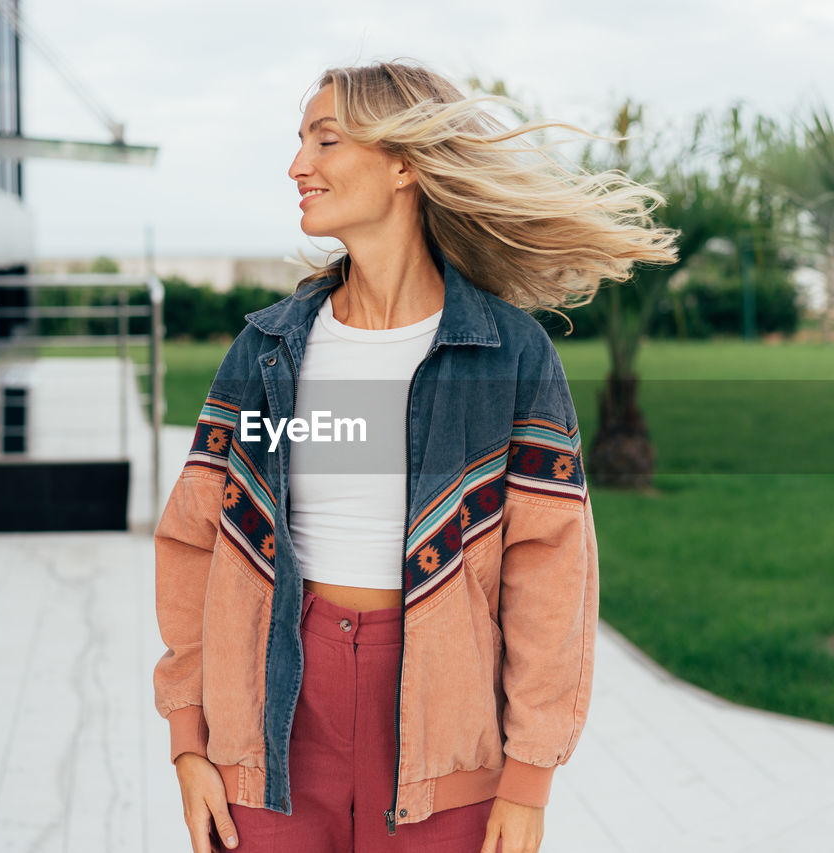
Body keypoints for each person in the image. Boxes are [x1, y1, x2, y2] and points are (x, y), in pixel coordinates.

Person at [153, 60, 679, 853]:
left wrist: (529, 776)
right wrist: (190, 741)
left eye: (326, 139)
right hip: (269, 730)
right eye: (300, 142)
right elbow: (195, 543)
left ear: (405, 164)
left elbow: (551, 573)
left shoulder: (510, 355)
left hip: (445, 740)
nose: (299, 164)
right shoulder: (266, 354)